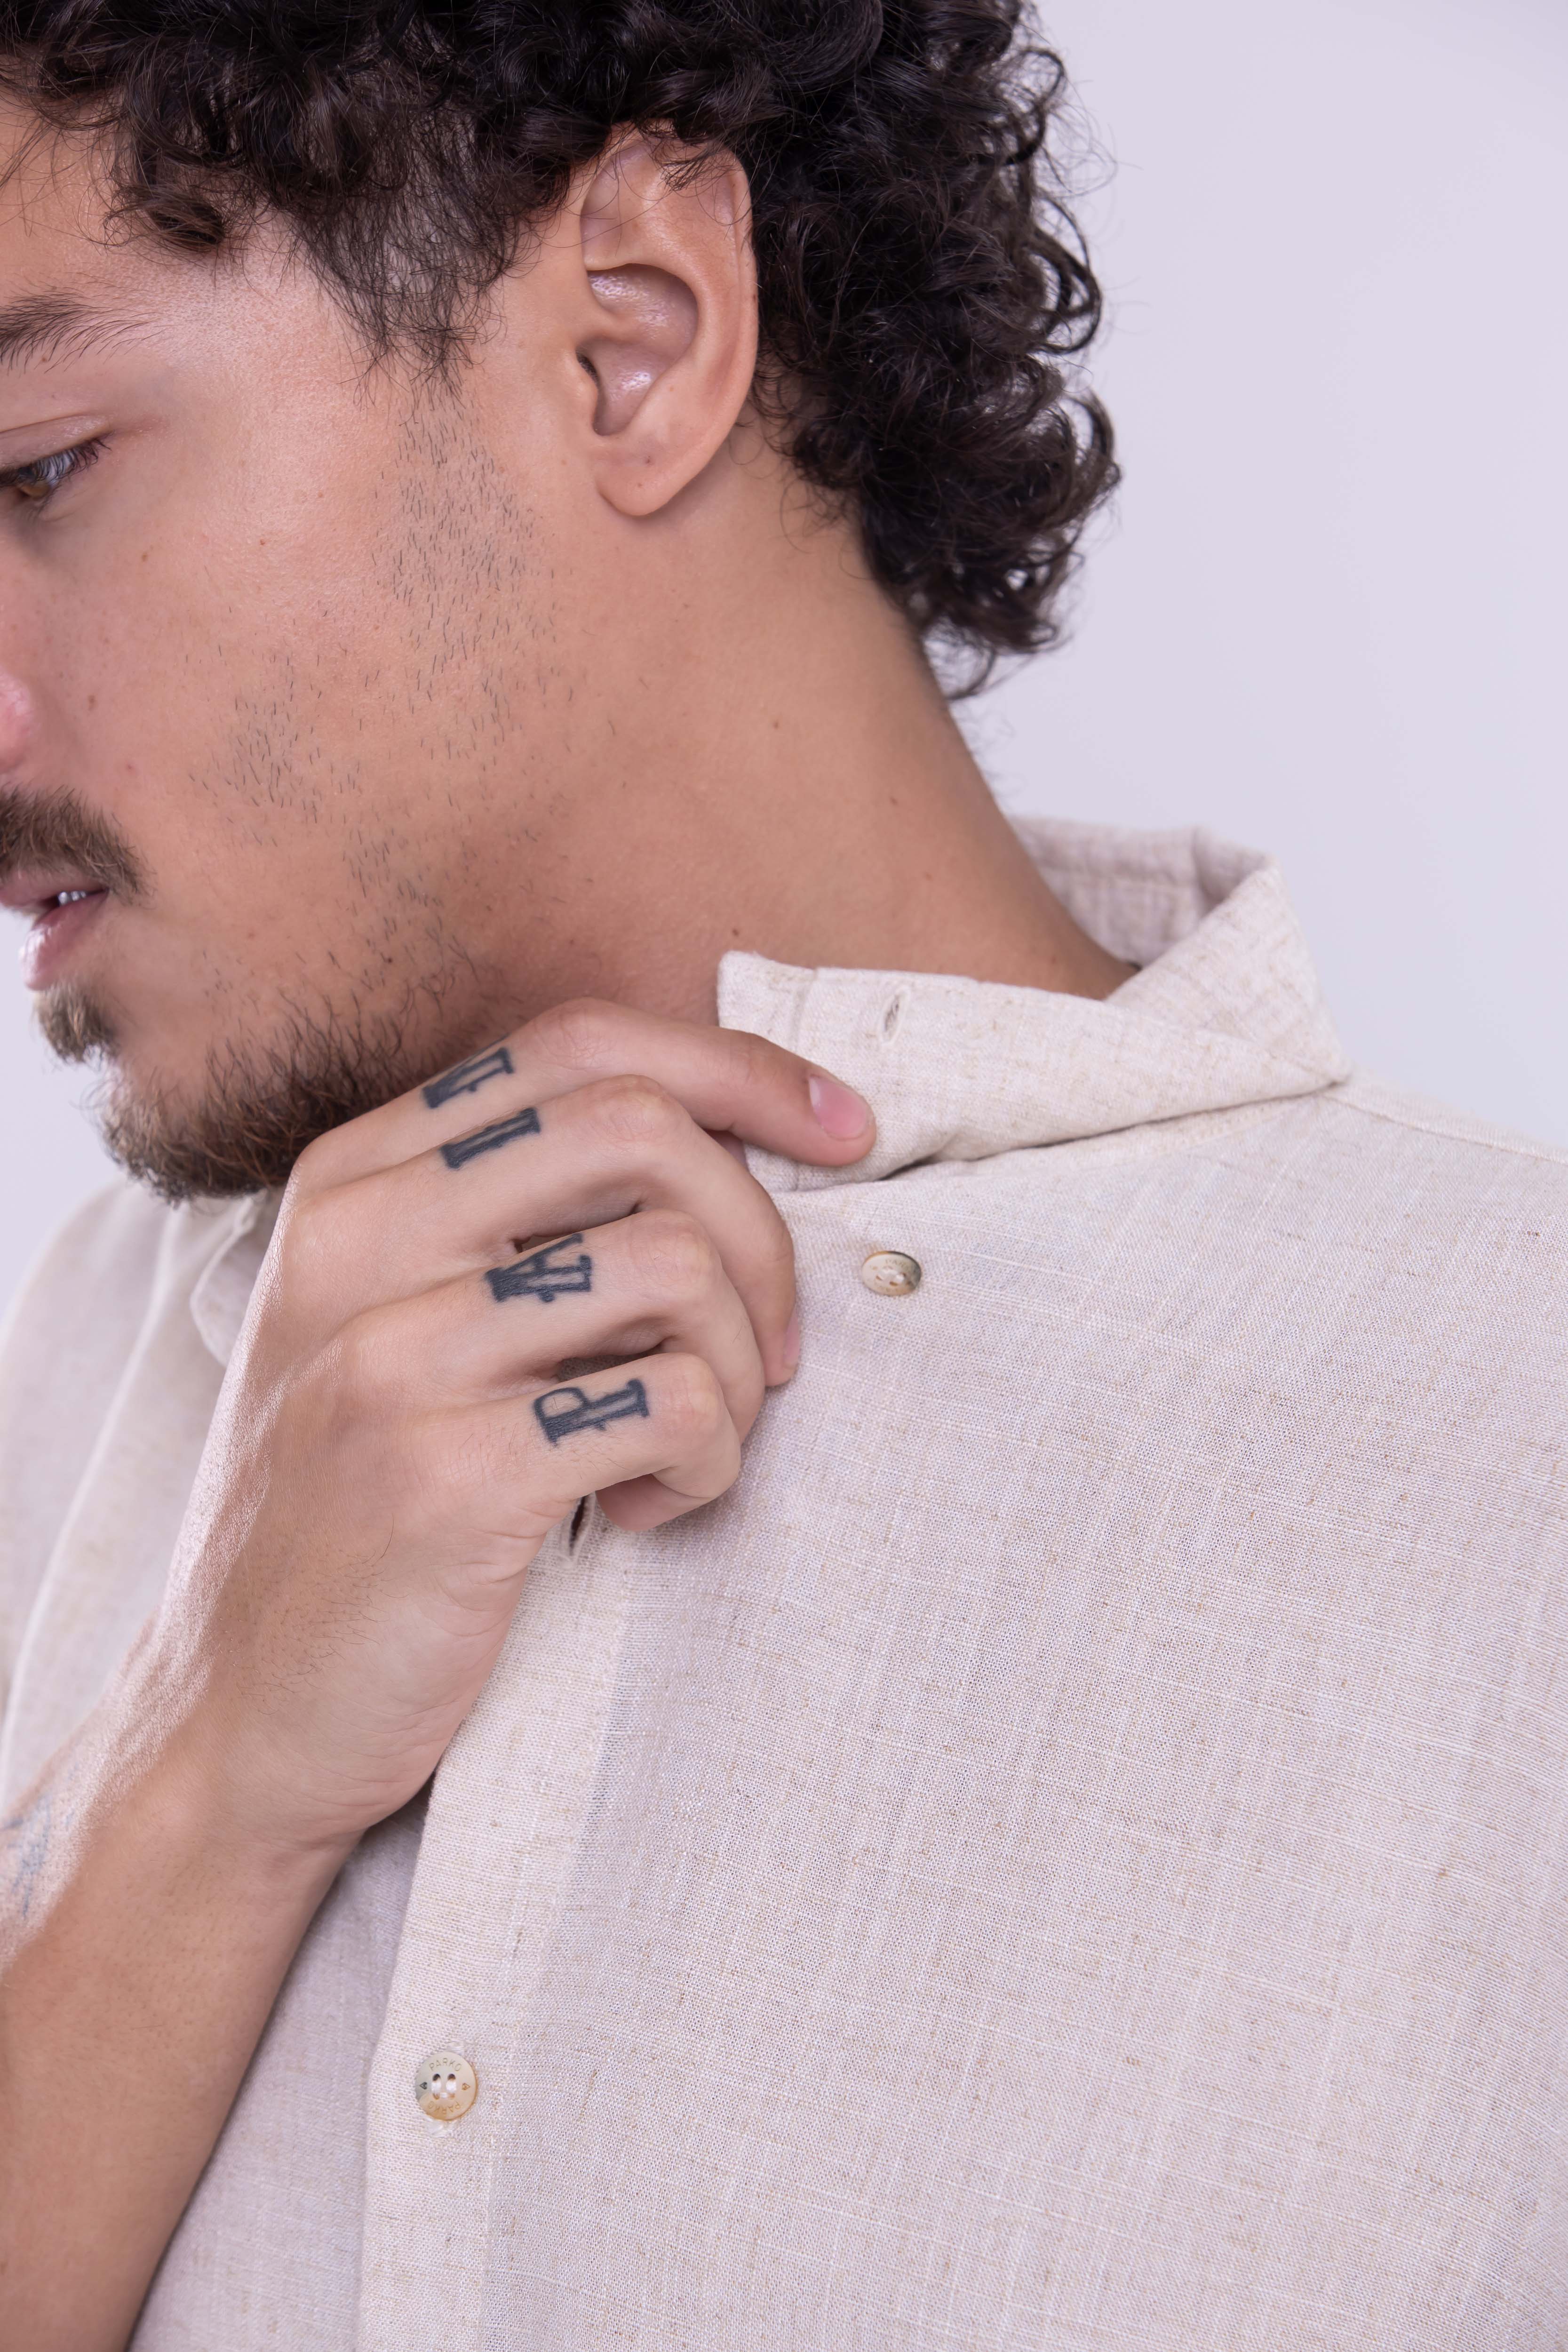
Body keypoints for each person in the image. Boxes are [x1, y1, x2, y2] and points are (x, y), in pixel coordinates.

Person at [0, 4, 1562, 2347]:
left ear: (631, 342)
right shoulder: (84, 1361)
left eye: (40, 469)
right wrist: (196, 1780)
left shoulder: (1509, 1444)